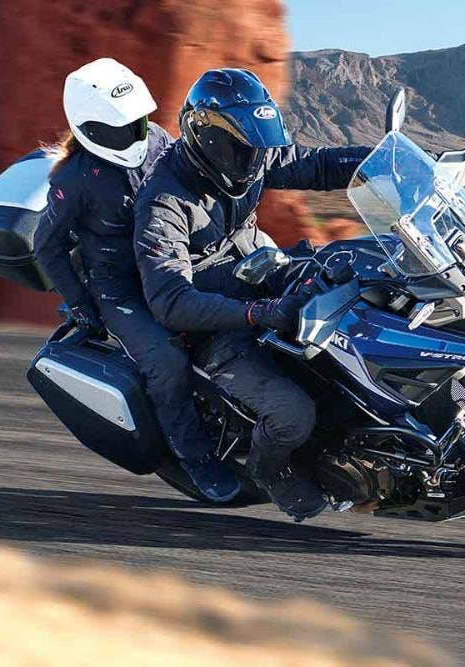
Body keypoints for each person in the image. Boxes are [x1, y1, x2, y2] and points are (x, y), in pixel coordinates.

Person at [133, 68, 372, 521]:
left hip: (261, 272)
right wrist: (257, 313)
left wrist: (387, 161)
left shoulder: (251, 155)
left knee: (359, 275)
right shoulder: (164, 202)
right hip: (215, 322)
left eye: (260, 149)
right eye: (244, 151)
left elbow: (319, 164)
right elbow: (172, 301)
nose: (256, 161)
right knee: (292, 414)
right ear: (208, 141)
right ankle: (271, 471)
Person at [32, 58, 242, 503]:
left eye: (139, 122)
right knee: (167, 363)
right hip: (121, 288)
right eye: (122, 127)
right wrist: (82, 305)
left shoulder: (159, 140)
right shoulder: (73, 181)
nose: (136, 133)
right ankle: (196, 457)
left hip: (174, 262)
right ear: (91, 128)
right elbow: (46, 247)